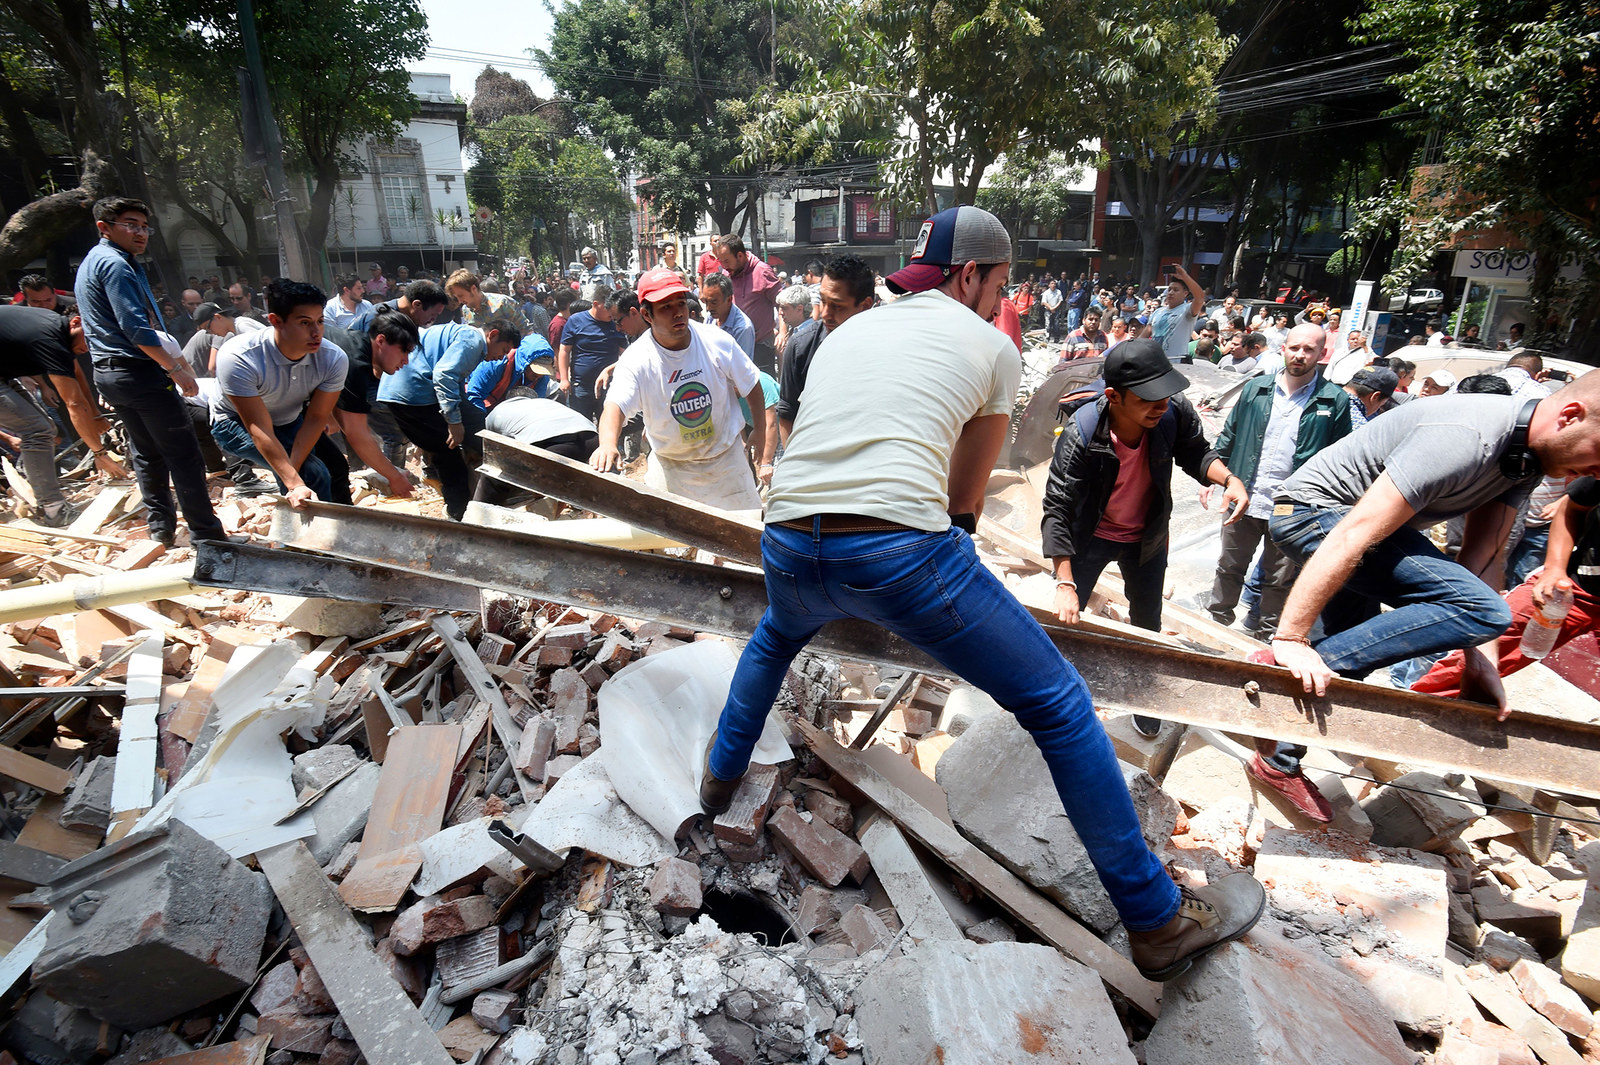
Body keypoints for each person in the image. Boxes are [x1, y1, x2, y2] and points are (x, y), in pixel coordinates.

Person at [700, 205, 1265, 981]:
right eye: (1000, 283)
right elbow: (962, 507)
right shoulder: (993, 345)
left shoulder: (848, 331)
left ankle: (716, 780)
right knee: (1060, 705)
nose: (1003, 298)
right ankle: (1156, 917)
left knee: (773, 639)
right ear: (970, 275)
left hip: (790, 541)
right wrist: (922, 596)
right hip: (897, 548)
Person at [1265, 372, 1600, 728]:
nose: (1597, 475)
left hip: (1355, 536)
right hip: (1313, 515)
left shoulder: (1524, 460)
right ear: (1570, 416)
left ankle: (1277, 760)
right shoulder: (1468, 434)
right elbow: (1354, 533)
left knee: (1353, 661)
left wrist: (1482, 663)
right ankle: (1278, 673)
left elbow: (1483, 560)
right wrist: (1290, 638)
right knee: (1486, 611)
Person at [1042, 338, 1248, 737]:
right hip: (1091, 536)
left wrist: (1229, 479)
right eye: (1149, 399)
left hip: (1146, 537)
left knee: (1147, 620)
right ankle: (1060, 698)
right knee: (1069, 619)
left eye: (1166, 396)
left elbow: (1196, 452)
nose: (1162, 406)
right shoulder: (1082, 435)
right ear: (1114, 396)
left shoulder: (1171, 413)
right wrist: (1064, 581)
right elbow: (1059, 509)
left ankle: (1142, 696)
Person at [1206, 325, 1352, 822]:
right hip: (1247, 493)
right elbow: (1227, 437)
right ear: (1281, 349)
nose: (1300, 354)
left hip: (1296, 507)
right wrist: (1225, 479)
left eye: (1309, 348)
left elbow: (1343, 457)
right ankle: (1216, 630)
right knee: (1230, 565)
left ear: (1322, 353)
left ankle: (1269, 644)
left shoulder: (1333, 401)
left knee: (1282, 579)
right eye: (1293, 346)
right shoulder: (1256, 388)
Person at [74, 196, 228, 546]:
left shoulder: (92, 262)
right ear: (104, 227)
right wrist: (176, 369)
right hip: (139, 372)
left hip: (111, 373)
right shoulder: (115, 264)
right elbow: (134, 328)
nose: (140, 233)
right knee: (183, 452)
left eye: (145, 226)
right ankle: (207, 534)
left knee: (146, 452)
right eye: (130, 224)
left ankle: (161, 529)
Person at [590, 267, 766, 509]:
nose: (677, 313)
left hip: (726, 462)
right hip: (671, 467)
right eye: (665, 307)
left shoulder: (716, 340)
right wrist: (607, 444)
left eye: (680, 304)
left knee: (745, 534)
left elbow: (752, 383)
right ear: (646, 315)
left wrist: (760, 429)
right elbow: (615, 405)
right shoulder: (637, 358)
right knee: (667, 542)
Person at [1414, 474, 1600, 698]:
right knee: (1478, 654)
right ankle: (1416, 710)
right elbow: (1575, 505)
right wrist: (1554, 568)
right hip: (1575, 590)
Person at [210, 279, 350, 507]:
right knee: (313, 473)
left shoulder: (332, 358)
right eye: (305, 323)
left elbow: (316, 418)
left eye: (320, 321)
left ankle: (342, 529)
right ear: (276, 321)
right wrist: (294, 481)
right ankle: (307, 540)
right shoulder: (240, 356)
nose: (316, 332)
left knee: (333, 467)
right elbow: (258, 428)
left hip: (290, 419)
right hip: (235, 422)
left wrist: (291, 471)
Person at [379, 317, 516, 519]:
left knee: (476, 420)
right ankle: (458, 514)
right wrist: (454, 422)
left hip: (405, 390)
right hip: (412, 394)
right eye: (503, 350)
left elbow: (455, 386)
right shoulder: (473, 340)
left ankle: (473, 469)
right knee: (449, 454)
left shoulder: (462, 334)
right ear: (492, 335)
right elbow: (444, 375)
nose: (500, 358)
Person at [0, 307, 121, 524]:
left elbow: (76, 374)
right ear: (75, 322)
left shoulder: (56, 330)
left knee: (44, 429)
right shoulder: (50, 339)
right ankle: (53, 509)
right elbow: (73, 403)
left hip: (6, 374)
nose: (91, 345)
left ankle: (41, 492)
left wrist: (95, 414)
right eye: (90, 336)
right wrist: (99, 453)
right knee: (38, 431)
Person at [777, 255, 876, 444]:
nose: (825, 314)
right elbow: (787, 413)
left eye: (837, 306)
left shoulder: (884, 350)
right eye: (823, 301)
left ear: (865, 306)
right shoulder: (800, 347)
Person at [323, 308, 421, 498]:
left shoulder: (358, 346)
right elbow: (357, 434)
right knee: (330, 470)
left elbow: (337, 421)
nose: (406, 361)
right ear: (381, 341)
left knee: (331, 463)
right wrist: (395, 477)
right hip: (272, 397)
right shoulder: (355, 363)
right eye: (404, 351)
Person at [711, 233, 782, 374]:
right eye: (721, 262)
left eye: (726, 261)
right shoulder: (727, 274)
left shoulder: (762, 271)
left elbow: (782, 303)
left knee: (762, 390)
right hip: (735, 344)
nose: (724, 266)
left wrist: (782, 333)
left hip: (760, 346)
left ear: (740, 256)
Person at [556, 285, 625, 421]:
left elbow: (626, 355)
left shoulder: (616, 324)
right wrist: (564, 379)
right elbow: (564, 350)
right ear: (596, 304)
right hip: (581, 386)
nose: (611, 314)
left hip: (608, 387)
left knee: (609, 425)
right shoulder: (575, 320)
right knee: (581, 428)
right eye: (607, 309)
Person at [1149, 266, 1206, 364]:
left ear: (1185, 293)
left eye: (1175, 290)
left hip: (1176, 365)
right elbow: (1144, 336)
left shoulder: (1187, 310)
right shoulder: (1157, 312)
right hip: (1155, 363)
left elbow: (1200, 298)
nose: (1171, 292)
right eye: (1169, 289)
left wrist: (1184, 277)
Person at [447, 270, 529, 335]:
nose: (460, 301)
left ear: (473, 289)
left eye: (461, 295)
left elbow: (526, 329)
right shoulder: (466, 310)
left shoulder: (503, 303)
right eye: (457, 297)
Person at [700, 273, 755, 359]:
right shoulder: (711, 317)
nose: (708, 308)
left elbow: (740, 368)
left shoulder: (743, 329)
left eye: (714, 302)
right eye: (706, 302)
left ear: (729, 300)